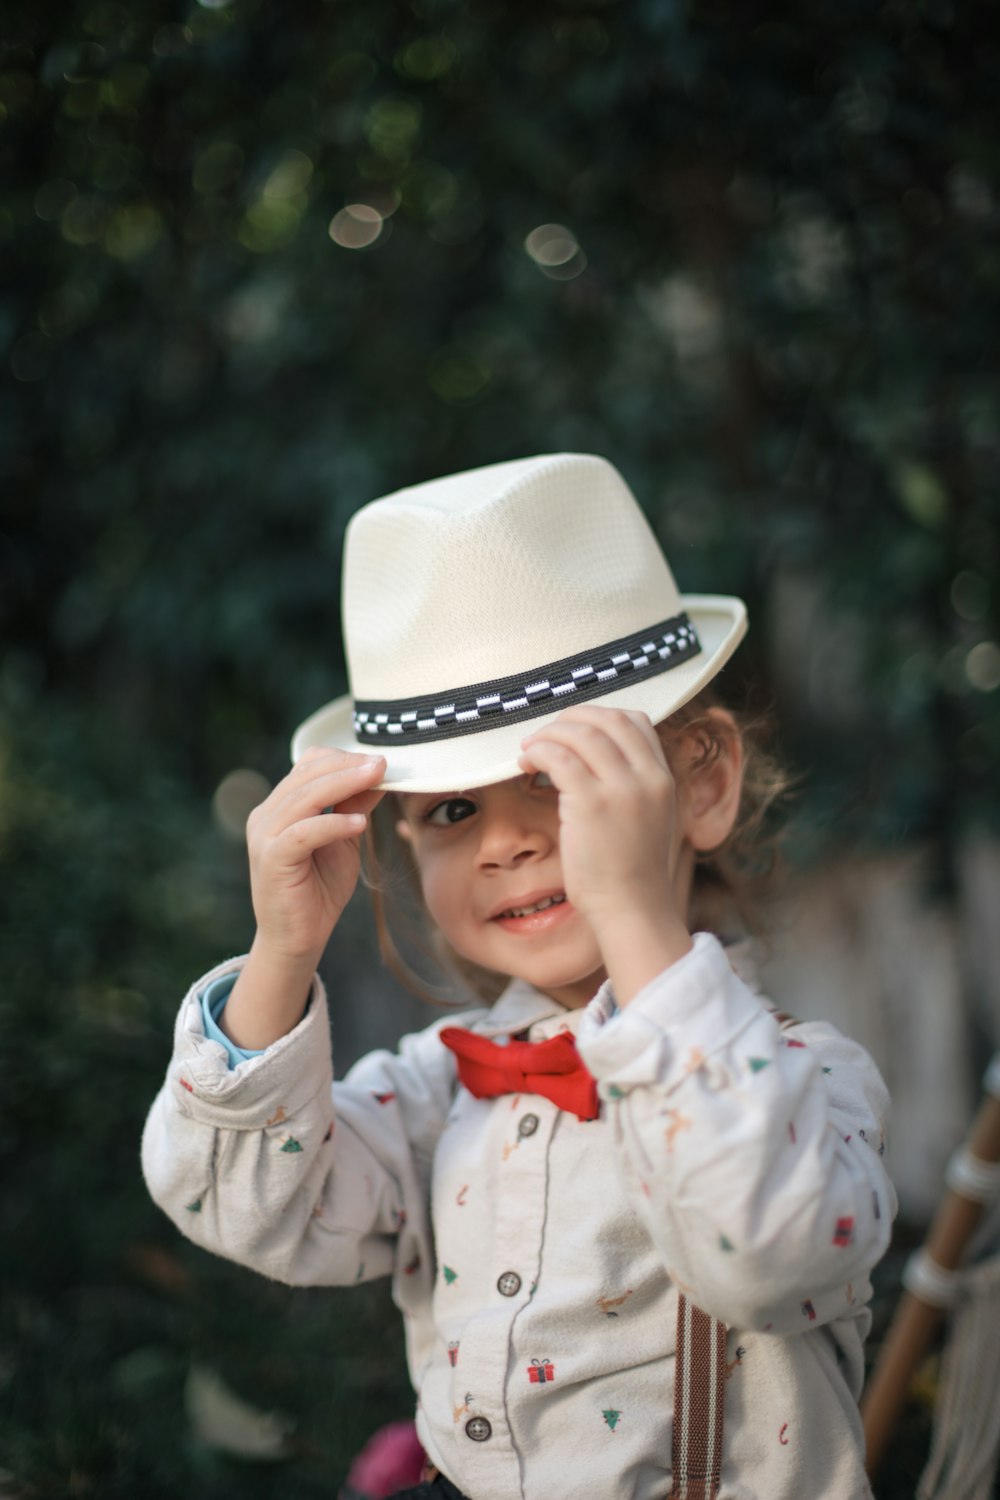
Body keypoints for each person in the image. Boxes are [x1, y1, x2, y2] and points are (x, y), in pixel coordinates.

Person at [143, 453, 895, 1500]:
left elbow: (771, 1252)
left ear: (703, 784)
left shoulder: (806, 1079)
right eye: (452, 810)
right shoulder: (435, 1089)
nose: (504, 842)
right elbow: (242, 1209)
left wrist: (635, 917)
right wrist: (282, 953)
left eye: (554, 780)